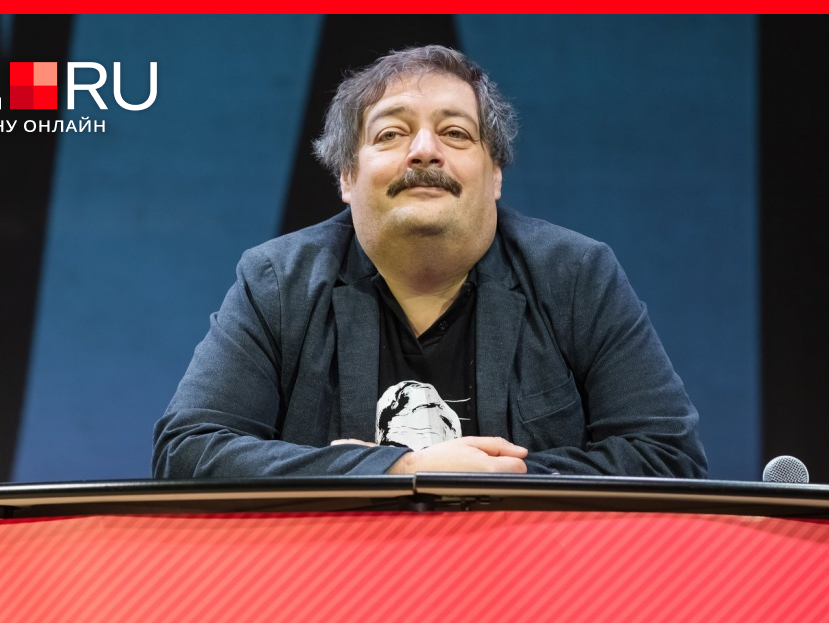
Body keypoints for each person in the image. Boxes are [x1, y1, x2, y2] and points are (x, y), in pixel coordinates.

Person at [153, 45, 707, 478]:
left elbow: (667, 456)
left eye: (455, 133)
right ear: (346, 177)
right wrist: (401, 469)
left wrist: (500, 482)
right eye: (391, 133)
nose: (424, 150)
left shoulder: (577, 275)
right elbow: (188, 452)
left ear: (495, 175)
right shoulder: (277, 281)